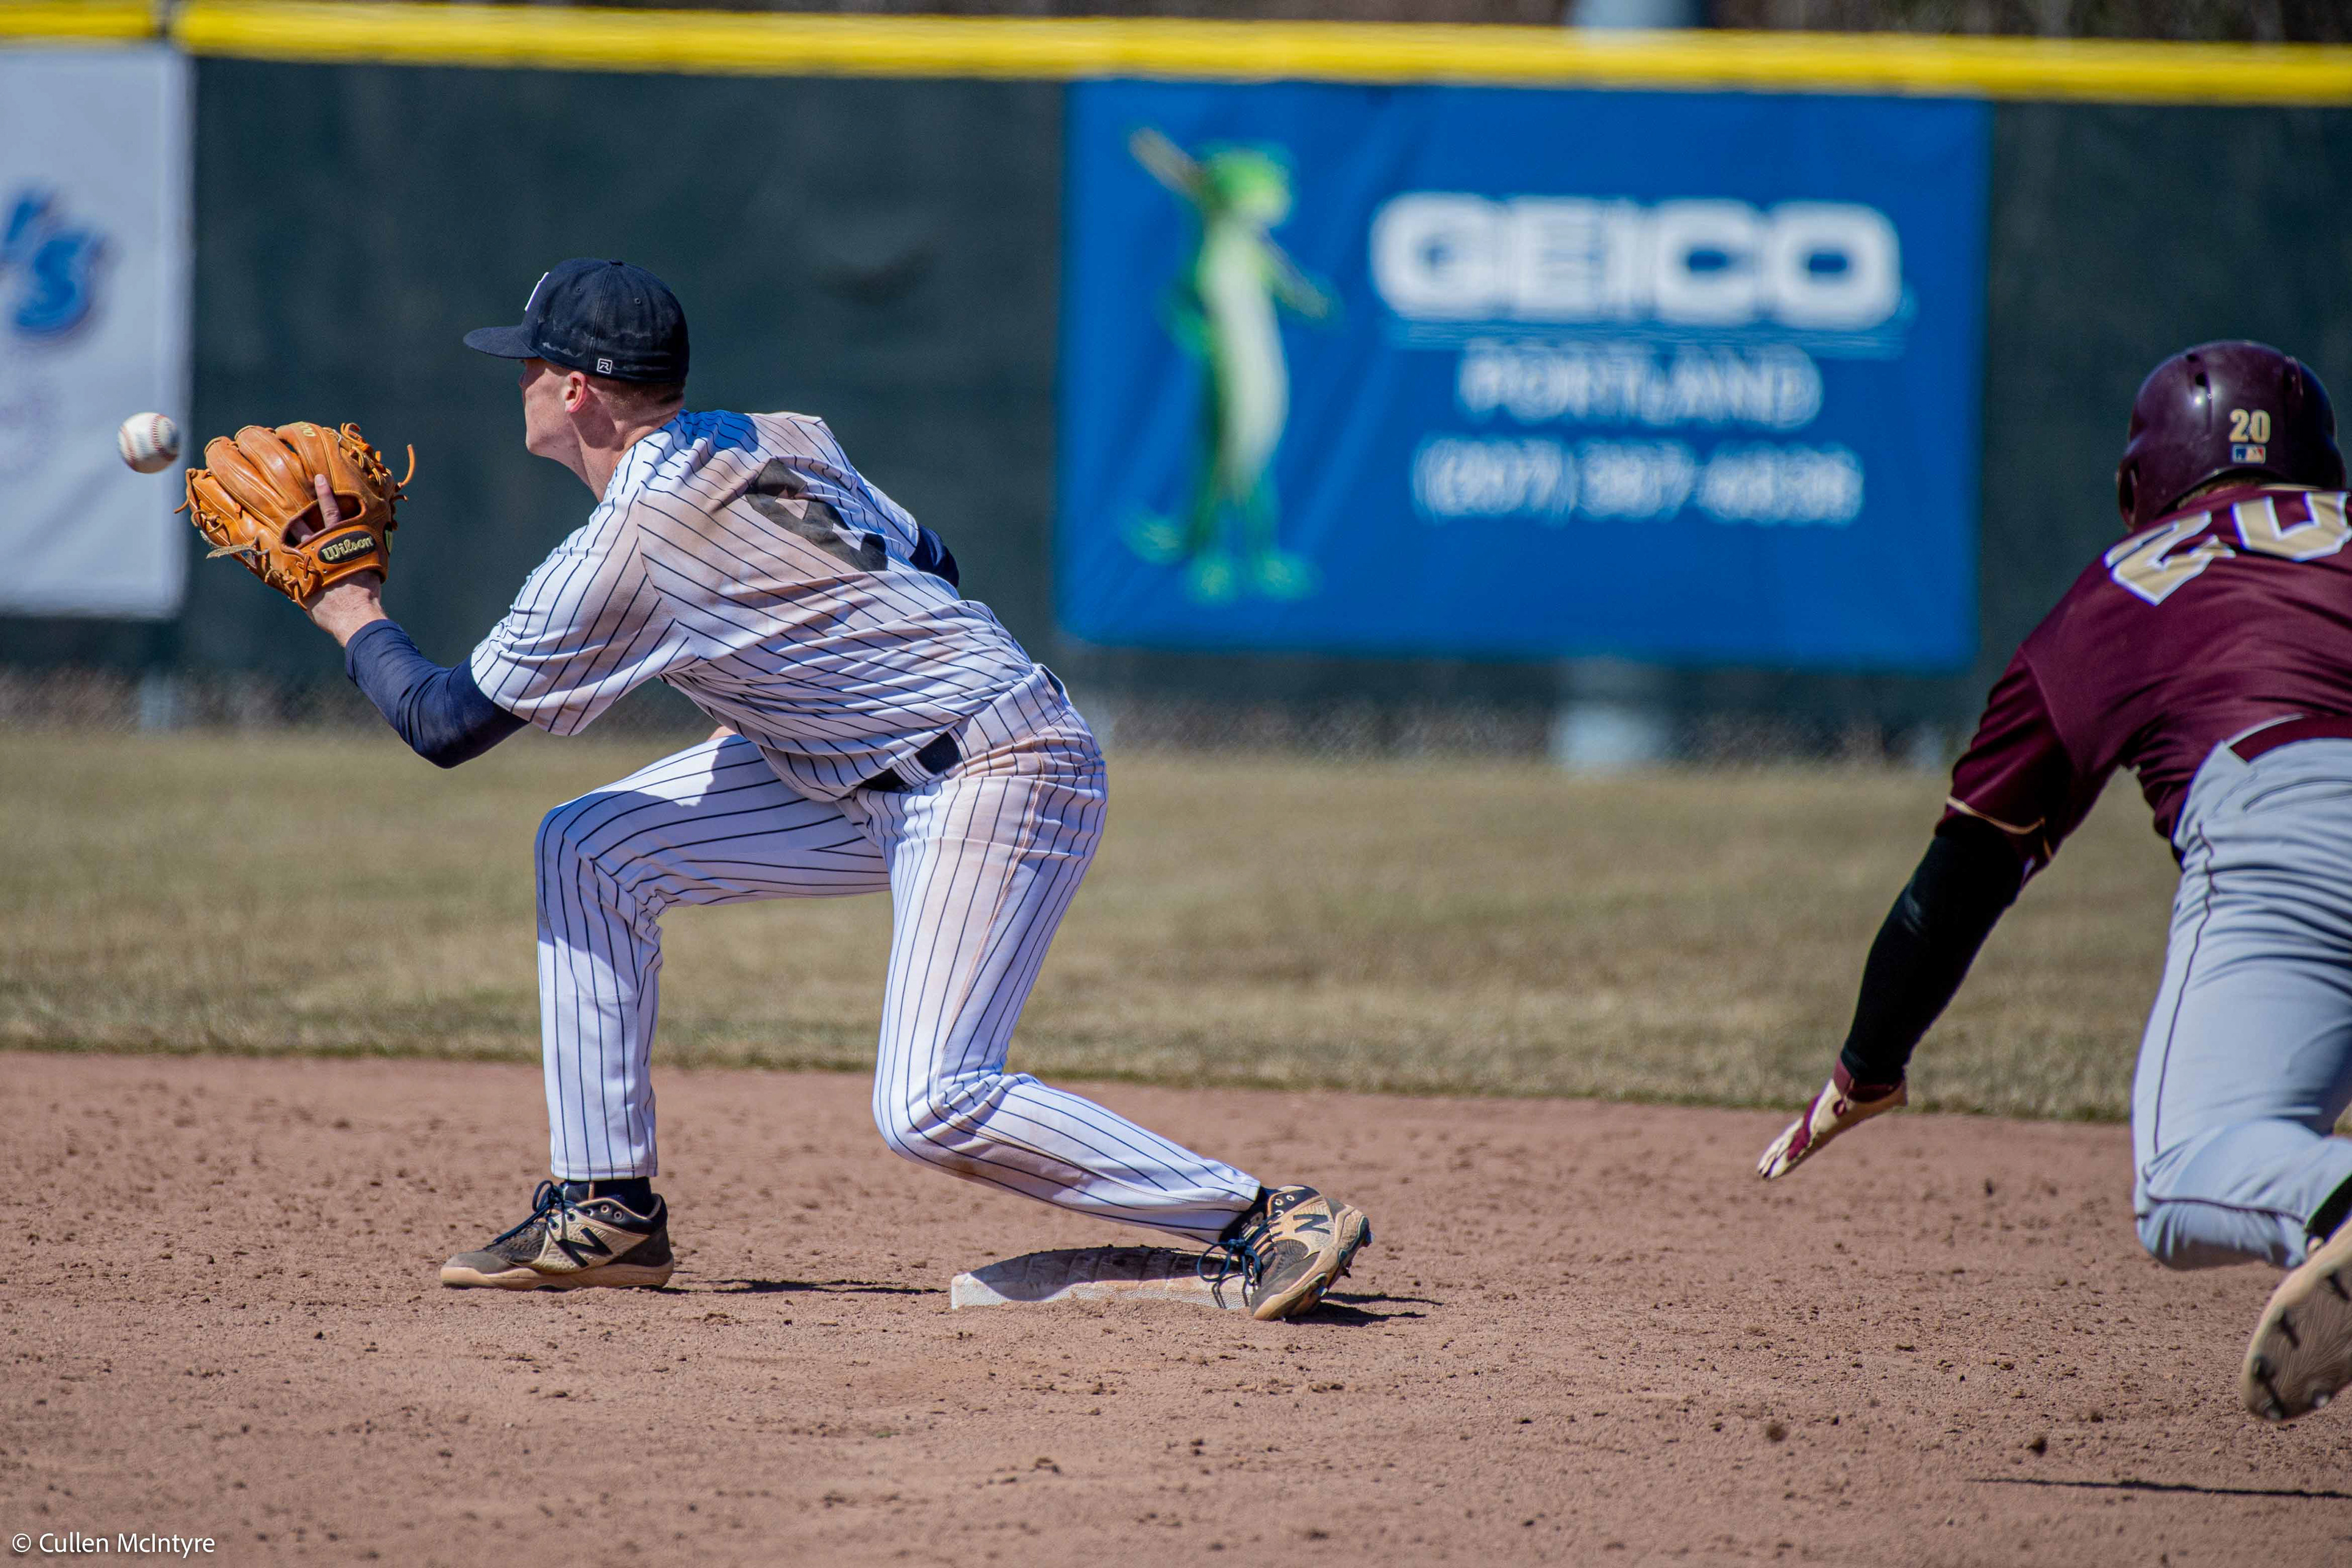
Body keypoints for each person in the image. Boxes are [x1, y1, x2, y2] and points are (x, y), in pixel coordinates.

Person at [297, 257, 1372, 1321]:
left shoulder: (630, 541)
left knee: (930, 1104)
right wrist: (792, 678)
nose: (520, 381)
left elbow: (444, 723)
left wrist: (347, 603)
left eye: (529, 363)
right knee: (589, 850)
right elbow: (931, 563)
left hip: (995, 770)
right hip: (858, 765)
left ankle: (1263, 1216)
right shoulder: (776, 435)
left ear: (576, 390)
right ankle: (606, 1208)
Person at [1755, 340, 2352, 1422]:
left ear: (2141, 483)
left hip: (2291, 823)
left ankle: (2336, 1202)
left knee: (2185, 1172)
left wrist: (1867, 1063)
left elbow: (1968, 870)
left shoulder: (2127, 582)